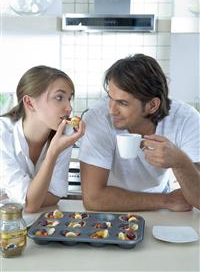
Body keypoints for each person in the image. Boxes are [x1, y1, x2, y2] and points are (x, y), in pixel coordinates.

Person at [79, 54, 200, 212]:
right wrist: (166, 200)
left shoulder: (186, 118)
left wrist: (181, 163)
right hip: (111, 208)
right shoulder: (97, 118)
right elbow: (93, 199)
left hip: (160, 211)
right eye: (110, 98)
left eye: (122, 103)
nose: (111, 110)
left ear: (152, 105)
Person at [0, 65, 85, 213]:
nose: (69, 107)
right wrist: (53, 153)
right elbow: (30, 205)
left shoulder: (65, 134)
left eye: (69, 98)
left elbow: (54, 195)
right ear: (29, 103)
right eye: (59, 97)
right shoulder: (2, 134)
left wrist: (15, 198)